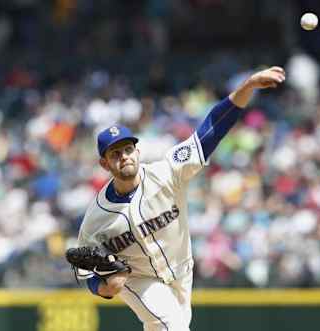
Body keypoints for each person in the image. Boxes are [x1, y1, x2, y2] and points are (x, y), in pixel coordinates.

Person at [74, 66, 285, 330]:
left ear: (137, 152)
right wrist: (102, 287)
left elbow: (210, 131)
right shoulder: (96, 218)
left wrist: (246, 88)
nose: (124, 156)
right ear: (104, 164)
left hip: (182, 269)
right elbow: (83, 266)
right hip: (138, 279)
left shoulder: (167, 172)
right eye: (115, 154)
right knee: (174, 327)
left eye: (128, 149)